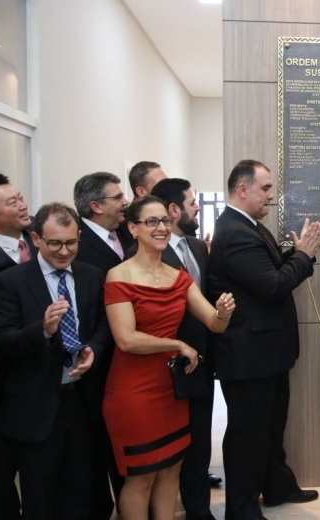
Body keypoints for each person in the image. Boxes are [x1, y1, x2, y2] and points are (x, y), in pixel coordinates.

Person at [208, 159, 320, 520]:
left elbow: (272, 269)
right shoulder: (235, 232)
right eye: (264, 188)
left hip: (266, 353)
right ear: (242, 189)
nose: (271, 195)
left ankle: (277, 487)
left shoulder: (249, 226)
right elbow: (273, 285)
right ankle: (242, 509)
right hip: (249, 356)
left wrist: (299, 253)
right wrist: (304, 255)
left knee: (270, 428)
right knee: (248, 435)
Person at [102, 196, 235, 520]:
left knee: (171, 470)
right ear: (133, 228)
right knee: (141, 477)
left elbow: (214, 323)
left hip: (172, 391)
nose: (161, 227)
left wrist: (224, 311)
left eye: (164, 220)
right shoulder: (119, 276)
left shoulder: (179, 276)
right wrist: (176, 344)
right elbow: (126, 339)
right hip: (134, 392)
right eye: (151, 222)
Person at [0, 202, 111, 518]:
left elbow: (102, 325)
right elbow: (3, 342)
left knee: (81, 492)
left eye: (71, 242)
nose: (63, 251)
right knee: (41, 498)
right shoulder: (11, 282)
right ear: (36, 239)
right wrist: (42, 330)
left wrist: (93, 349)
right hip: (36, 407)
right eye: (55, 243)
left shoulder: (91, 275)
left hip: (82, 401)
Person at [149, 178, 218, 519]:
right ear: (174, 209)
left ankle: (198, 508)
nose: (198, 207)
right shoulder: (152, 254)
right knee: (172, 442)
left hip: (202, 359)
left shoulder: (198, 247)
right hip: (168, 363)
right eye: (192, 202)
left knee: (201, 439)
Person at [73, 170, 133, 518]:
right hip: (99, 362)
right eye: (117, 197)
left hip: (133, 362)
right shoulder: (78, 246)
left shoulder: (126, 234)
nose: (125, 202)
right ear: (95, 206)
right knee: (99, 449)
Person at [0, 172, 33, 519]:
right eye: (12, 202)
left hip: (42, 376)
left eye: (20, 197)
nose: (23, 205)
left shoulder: (40, 244)